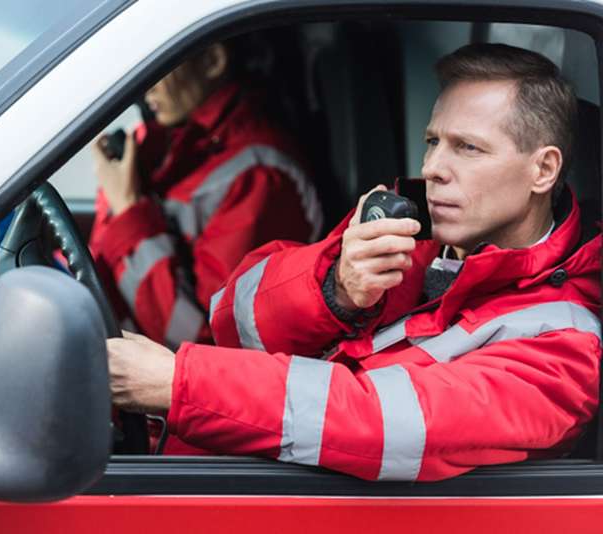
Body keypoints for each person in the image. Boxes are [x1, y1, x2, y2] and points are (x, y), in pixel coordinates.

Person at [105, 43, 603, 478]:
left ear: (543, 169)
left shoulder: (564, 347)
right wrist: (335, 290)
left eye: (467, 148)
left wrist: (179, 383)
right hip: (204, 470)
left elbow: (377, 423)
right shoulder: (404, 224)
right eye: (432, 141)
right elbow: (229, 320)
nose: (431, 168)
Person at [88, 40, 322, 349]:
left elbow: (203, 344)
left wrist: (128, 210)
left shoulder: (259, 177)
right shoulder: (163, 143)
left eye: (161, 60)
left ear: (213, 61)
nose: (146, 83)